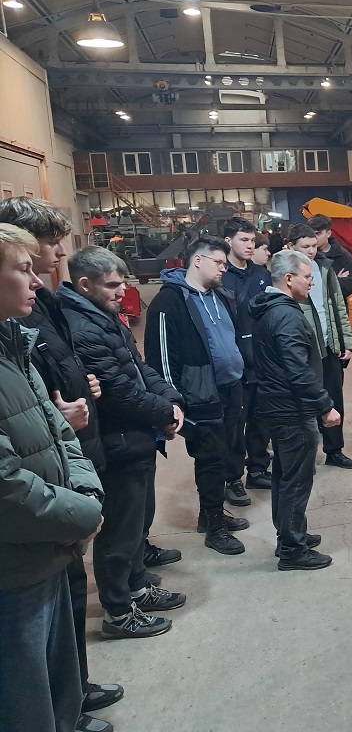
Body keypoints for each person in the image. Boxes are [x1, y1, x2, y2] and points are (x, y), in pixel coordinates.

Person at [0, 199, 123, 732]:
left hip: (52, 538)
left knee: (55, 673)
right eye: (24, 268)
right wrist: (82, 514)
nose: (40, 278)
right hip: (18, 558)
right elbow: (7, 484)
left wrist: (85, 498)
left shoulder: (13, 345)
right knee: (24, 693)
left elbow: (58, 431)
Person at [60, 247, 186, 639]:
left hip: (136, 436)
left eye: (123, 282)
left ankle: (137, 587)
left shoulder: (105, 317)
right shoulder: (83, 328)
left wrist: (171, 400)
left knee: (136, 524)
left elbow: (139, 368)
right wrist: (163, 412)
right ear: (85, 285)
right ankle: (118, 613)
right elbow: (118, 392)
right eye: (112, 285)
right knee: (119, 532)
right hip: (118, 441)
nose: (122, 292)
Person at [144, 237, 249, 555]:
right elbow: (161, 358)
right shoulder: (169, 302)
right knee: (210, 459)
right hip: (200, 393)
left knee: (226, 453)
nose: (224, 268)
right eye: (219, 262)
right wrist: (172, 401)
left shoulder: (221, 296)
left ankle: (210, 514)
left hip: (231, 388)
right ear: (198, 261)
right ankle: (214, 528)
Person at [249, 250, 340, 570]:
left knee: (285, 476)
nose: (312, 282)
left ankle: (289, 533)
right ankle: (292, 549)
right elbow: (297, 370)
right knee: (296, 480)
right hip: (291, 408)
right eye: (308, 277)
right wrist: (325, 406)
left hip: (280, 406)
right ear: (289, 279)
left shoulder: (273, 309)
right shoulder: (285, 316)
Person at [288, 225, 352, 469]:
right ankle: (303, 457)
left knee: (334, 399)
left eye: (314, 246)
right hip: (302, 351)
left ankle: (334, 450)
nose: (310, 251)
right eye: (304, 247)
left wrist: (346, 341)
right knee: (302, 404)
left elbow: (338, 306)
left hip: (328, 347)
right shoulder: (284, 273)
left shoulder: (325, 268)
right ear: (291, 246)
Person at [221, 218, 273, 492]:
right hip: (234, 363)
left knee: (261, 420)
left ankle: (258, 470)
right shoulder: (221, 276)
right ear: (228, 241)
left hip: (262, 360)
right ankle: (232, 479)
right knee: (234, 424)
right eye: (244, 240)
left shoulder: (262, 274)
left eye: (252, 240)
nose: (250, 245)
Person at [307, 213, 352, 298]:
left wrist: (327, 282)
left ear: (328, 233)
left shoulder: (343, 256)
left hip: (336, 304)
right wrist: (335, 280)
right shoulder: (307, 255)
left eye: (318, 233)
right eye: (311, 234)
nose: (314, 238)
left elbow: (348, 287)